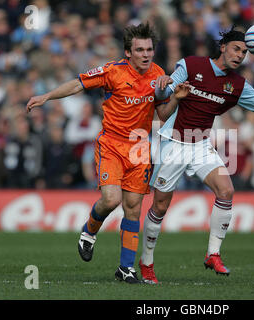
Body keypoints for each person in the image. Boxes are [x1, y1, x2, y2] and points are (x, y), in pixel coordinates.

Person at [138, 25, 254, 284]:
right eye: (237, 49)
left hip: (201, 144)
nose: (240, 55)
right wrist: (161, 87)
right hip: (174, 141)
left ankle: (212, 254)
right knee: (159, 206)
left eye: (246, 52)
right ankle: (146, 263)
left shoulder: (237, 85)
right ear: (223, 47)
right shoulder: (191, 65)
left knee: (226, 191)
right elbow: (164, 95)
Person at [26, 23, 187, 284]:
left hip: (139, 149)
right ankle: (89, 231)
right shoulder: (112, 71)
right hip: (111, 144)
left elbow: (162, 114)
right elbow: (78, 85)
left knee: (133, 209)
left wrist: (176, 99)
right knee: (111, 200)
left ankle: (125, 268)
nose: (146, 54)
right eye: (140, 50)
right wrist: (47, 97)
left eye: (149, 49)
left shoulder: (158, 74)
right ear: (128, 52)